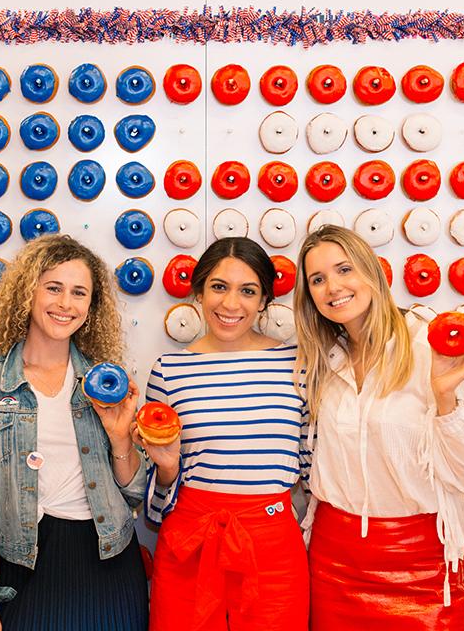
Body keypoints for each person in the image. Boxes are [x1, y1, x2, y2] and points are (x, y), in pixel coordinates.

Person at [293, 225, 464, 630]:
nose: (332, 287)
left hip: (420, 562)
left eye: (344, 269)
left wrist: (445, 398)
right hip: (334, 560)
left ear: (371, 272)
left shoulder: (430, 345)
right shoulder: (324, 359)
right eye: (317, 279)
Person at [0, 234, 148, 631]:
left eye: (79, 293)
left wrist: (119, 439)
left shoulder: (104, 382)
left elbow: (133, 493)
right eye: (54, 288)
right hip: (25, 567)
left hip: (110, 562)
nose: (65, 304)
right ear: (28, 293)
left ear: (91, 307)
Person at [138, 236, 310, 631]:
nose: (231, 305)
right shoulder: (168, 370)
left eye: (247, 291)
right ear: (198, 291)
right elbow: (154, 503)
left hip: (273, 549)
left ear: (265, 300)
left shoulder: (297, 363)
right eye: (219, 287)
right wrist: (165, 470)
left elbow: (312, 467)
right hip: (189, 545)